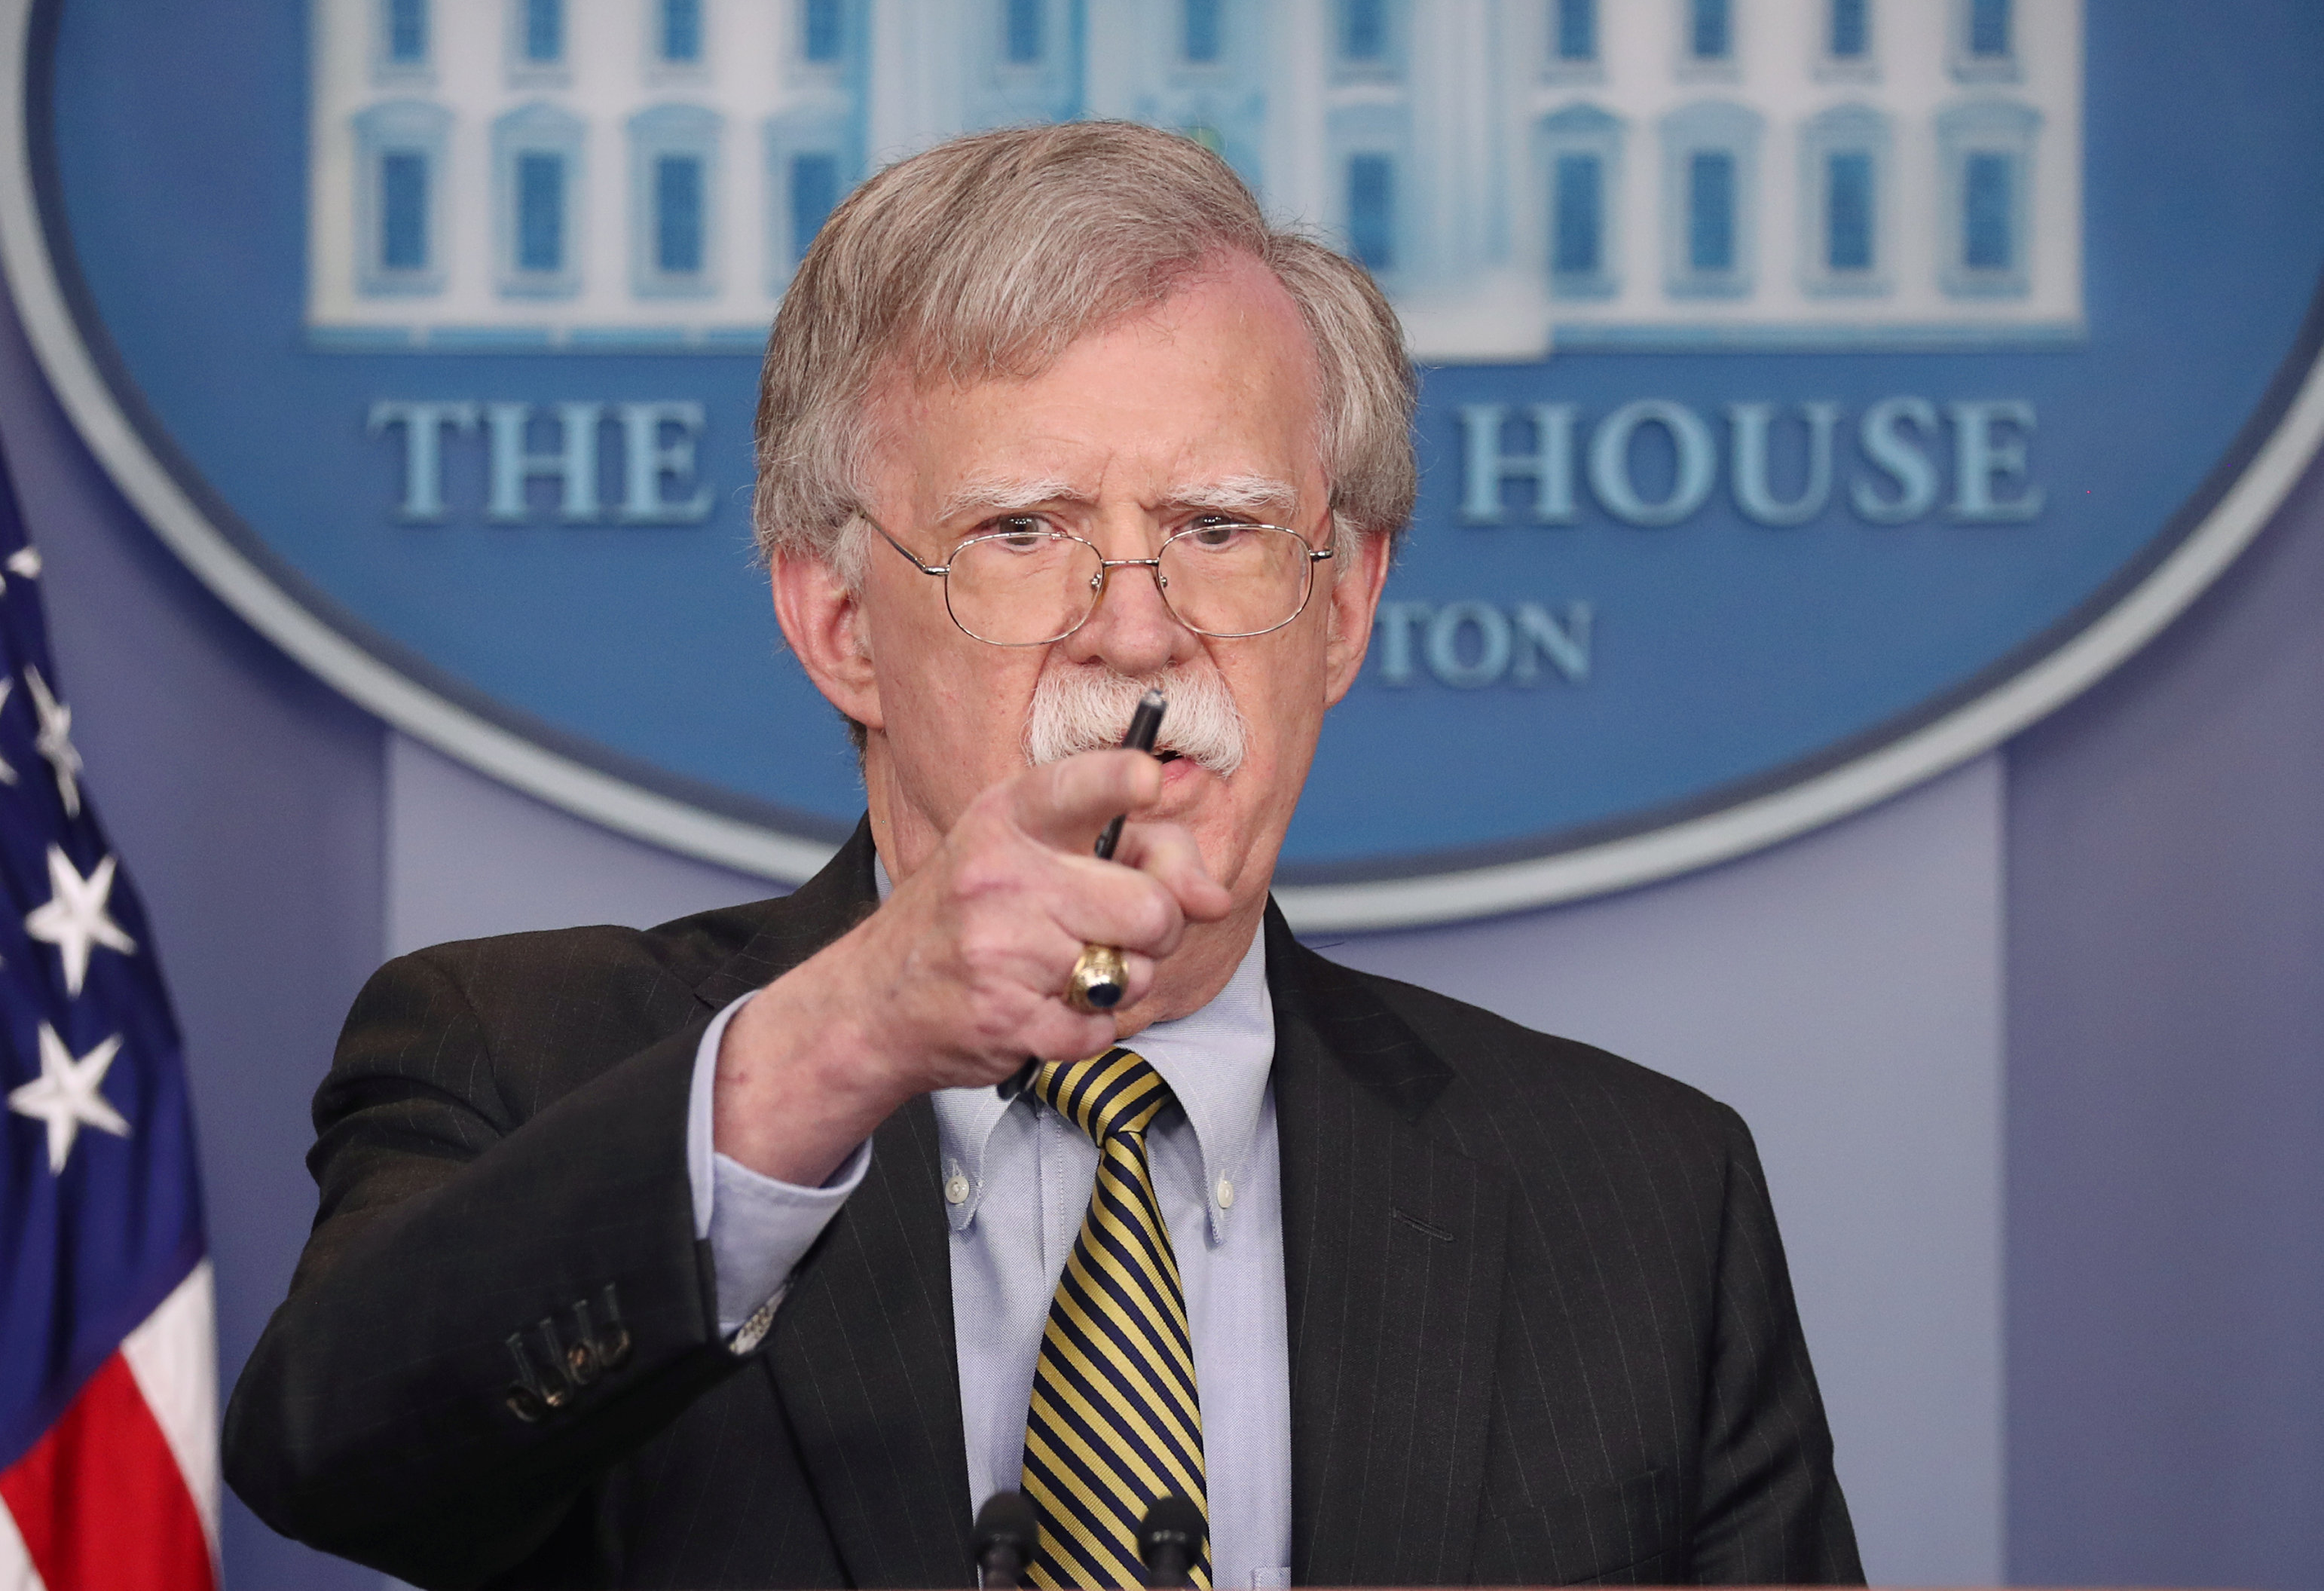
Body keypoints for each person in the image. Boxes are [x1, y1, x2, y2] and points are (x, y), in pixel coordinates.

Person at [223, 121, 1861, 1591]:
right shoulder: (519, 1060)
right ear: (840, 623)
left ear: (1347, 602)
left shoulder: (1644, 1196)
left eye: (1216, 529)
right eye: (1025, 534)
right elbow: (339, 1463)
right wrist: (845, 1040)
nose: (1138, 631)